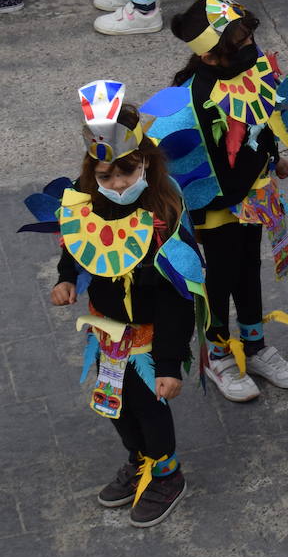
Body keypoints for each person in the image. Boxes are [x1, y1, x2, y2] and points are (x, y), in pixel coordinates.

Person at [128, 0, 288, 401]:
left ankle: (256, 345)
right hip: (214, 208)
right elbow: (176, 166)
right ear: (210, 57)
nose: (252, 48)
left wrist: (271, 158)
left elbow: (261, 120)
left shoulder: (248, 71)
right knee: (218, 280)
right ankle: (219, 355)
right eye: (241, 44)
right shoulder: (190, 104)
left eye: (249, 38)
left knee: (248, 271)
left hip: (252, 195)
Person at [25, 81, 204, 528]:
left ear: (146, 162)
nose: (118, 184)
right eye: (106, 177)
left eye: (127, 172)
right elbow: (78, 246)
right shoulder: (86, 205)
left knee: (148, 406)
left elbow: (177, 299)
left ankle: (167, 474)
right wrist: (67, 279)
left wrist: (166, 364)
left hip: (149, 336)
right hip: (107, 333)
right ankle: (139, 460)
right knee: (114, 405)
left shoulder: (165, 218)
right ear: (92, 175)